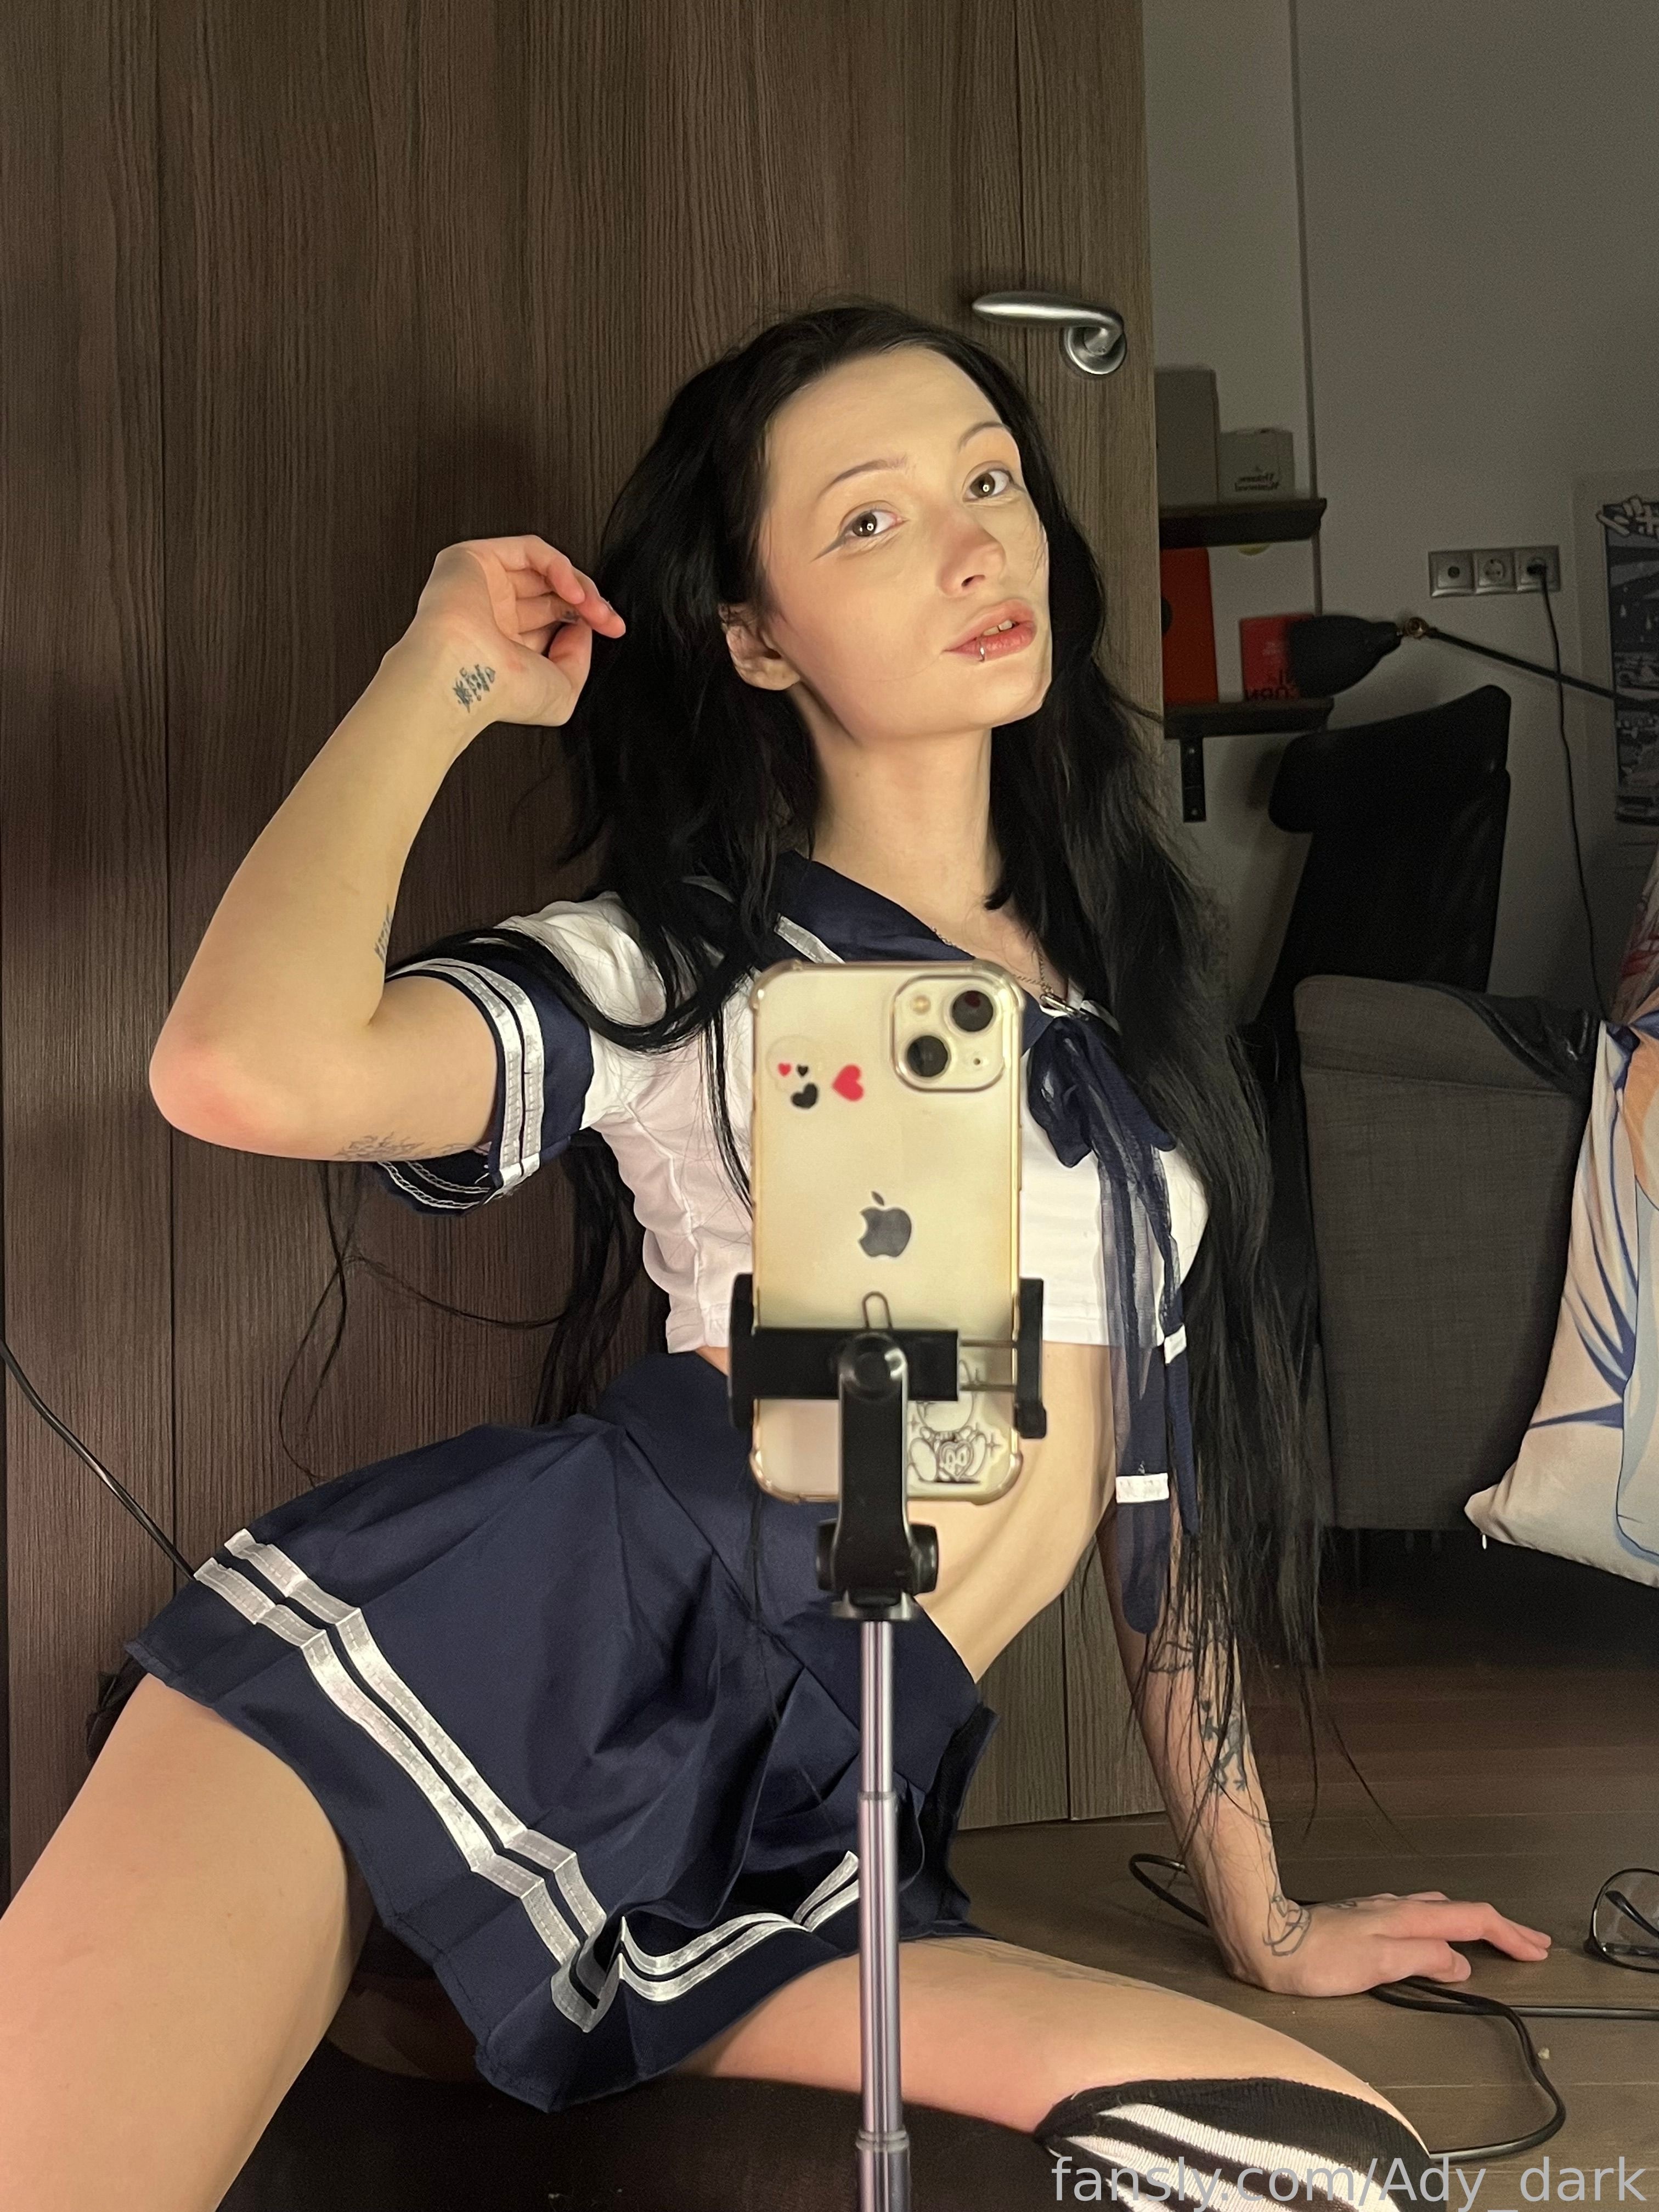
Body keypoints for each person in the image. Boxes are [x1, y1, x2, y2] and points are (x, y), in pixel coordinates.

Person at [0, 303, 1550, 2210]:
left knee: (1337, 2171)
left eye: (992, 481)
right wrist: (443, 672)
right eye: (872, 519)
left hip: (808, 1800)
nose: (974, 544)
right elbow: (242, 1070)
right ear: (754, 635)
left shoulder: (1127, 1026)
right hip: (497, 1659)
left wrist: (1268, 1913)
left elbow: (1153, 1503)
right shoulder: (688, 964)